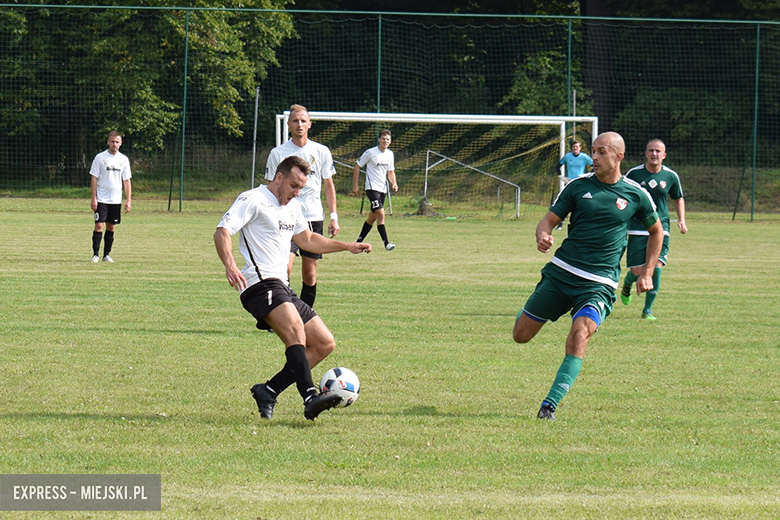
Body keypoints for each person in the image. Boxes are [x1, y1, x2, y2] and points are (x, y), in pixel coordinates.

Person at [513, 132, 663, 420]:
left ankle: (549, 405)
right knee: (521, 336)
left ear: (618, 156)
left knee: (580, 332)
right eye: (593, 151)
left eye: (601, 152)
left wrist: (647, 271)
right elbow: (548, 221)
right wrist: (543, 235)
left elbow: (655, 231)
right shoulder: (577, 187)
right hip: (561, 273)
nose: (593, 157)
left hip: (599, 284)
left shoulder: (635, 194)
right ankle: (536, 308)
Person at [215, 155, 372, 421]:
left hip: (282, 287)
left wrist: (347, 246)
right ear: (279, 177)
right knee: (297, 332)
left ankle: (269, 390)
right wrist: (230, 265)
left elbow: (308, 240)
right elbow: (222, 231)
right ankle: (310, 396)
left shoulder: (293, 207)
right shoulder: (252, 198)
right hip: (258, 283)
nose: (297, 193)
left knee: (324, 344)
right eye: (294, 186)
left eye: (301, 188)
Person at [264, 104, 339, 309]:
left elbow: (329, 185)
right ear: (288, 124)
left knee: (310, 273)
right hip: (285, 217)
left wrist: (334, 216)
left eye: (303, 121)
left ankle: (305, 316)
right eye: (295, 121)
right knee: (284, 269)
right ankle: (282, 314)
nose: (299, 124)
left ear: (309, 124)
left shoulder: (321, 151)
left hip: (312, 217)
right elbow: (270, 188)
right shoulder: (278, 153)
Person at [620, 139, 687, 320]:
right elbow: (623, 194)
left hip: (661, 226)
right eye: (651, 150)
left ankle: (647, 309)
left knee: (656, 267)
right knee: (638, 271)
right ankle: (627, 284)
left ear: (664, 155)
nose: (654, 154)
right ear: (646, 153)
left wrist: (682, 220)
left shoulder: (671, 176)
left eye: (658, 151)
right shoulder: (634, 174)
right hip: (637, 226)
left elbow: (678, 198)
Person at [90, 131, 132, 263]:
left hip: (116, 199)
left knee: (111, 226)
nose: (115, 144)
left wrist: (128, 200)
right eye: (112, 141)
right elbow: (94, 178)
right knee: (99, 225)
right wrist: (93, 198)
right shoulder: (100, 157)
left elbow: (126, 181)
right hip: (102, 198)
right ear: (108, 142)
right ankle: (95, 254)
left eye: (117, 142)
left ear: (121, 144)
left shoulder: (123, 159)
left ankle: (106, 255)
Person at [352, 129, 399, 250]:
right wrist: (355, 185)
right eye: (383, 138)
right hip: (372, 188)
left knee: (372, 217)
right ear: (379, 139)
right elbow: (357, 166)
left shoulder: (390, 154)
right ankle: (387, 243)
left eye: (387, 139)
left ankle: (358, 242)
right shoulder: (370, 153)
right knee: (381, 214)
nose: (385, 141)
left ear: (390, 141)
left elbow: (390, 172)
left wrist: (394, 183)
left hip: (382, 189)